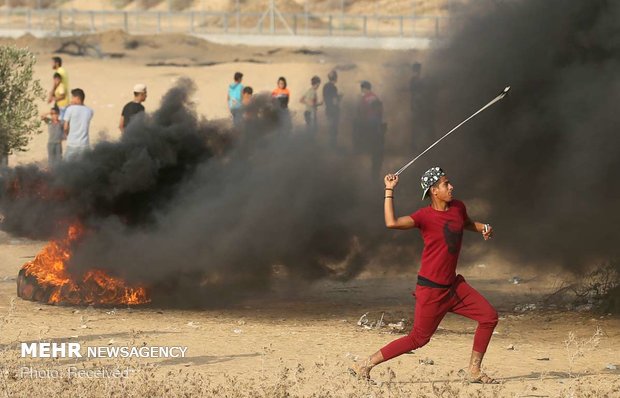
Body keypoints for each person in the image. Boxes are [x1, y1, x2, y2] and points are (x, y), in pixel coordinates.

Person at [350, 167, 498, 384]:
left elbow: (464, 223)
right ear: (434, 191)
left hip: (454, 287)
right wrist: (389, 190)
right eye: (446, 184)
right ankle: (364, 365)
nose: (451, 186)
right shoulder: (424, 216)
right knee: (418, 339)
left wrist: (483, 227)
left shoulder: (458, 207)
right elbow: (391, 222)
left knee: (489, 317)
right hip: (431, 290)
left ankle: (474, 370)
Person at [357, 81, 384, 179]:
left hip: (369, 120)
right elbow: (380, 110)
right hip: (377, 121)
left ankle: (369, 151)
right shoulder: (375, 97)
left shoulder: (364, 98)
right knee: (376, 139)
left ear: (365, 89)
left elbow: (361, 110)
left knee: (370, 139)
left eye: (362, 89)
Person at [63, 88, 94, 162]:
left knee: (66, 167)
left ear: (77, 98)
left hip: (72, 144)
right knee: (83, 167)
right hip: (84, 144)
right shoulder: (90, 111)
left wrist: (67, 134)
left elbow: (65, 127)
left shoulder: (70, 109)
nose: (71, 99)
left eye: (72, 97)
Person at [322, 70, 342, 147]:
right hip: (334, 111)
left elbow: (326, 98)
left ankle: (330, 145)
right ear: (335, 78)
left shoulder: (325, 86)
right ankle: (333, 146)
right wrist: (340, 97)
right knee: (334, 129)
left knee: (330, 128)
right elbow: (335, 102)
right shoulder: (334, 88)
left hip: (328, 110)